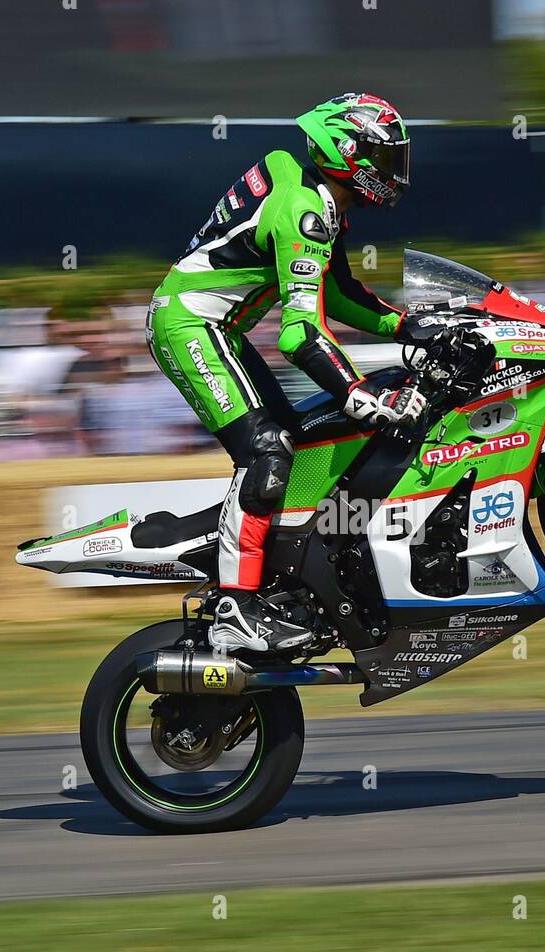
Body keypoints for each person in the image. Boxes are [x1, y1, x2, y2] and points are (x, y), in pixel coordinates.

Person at [147, 92, 425, 652]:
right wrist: (358, 392)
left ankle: (274, 576)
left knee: (302, 441)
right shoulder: (305, 212)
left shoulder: (315, 193)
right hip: (190, 326)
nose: (395, 171)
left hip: (220, 327)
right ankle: (234, 606)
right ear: (346, 152)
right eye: (384, 157)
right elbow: (298, 335)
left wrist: (408, 327)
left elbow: (340, 294)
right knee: (268, 451)